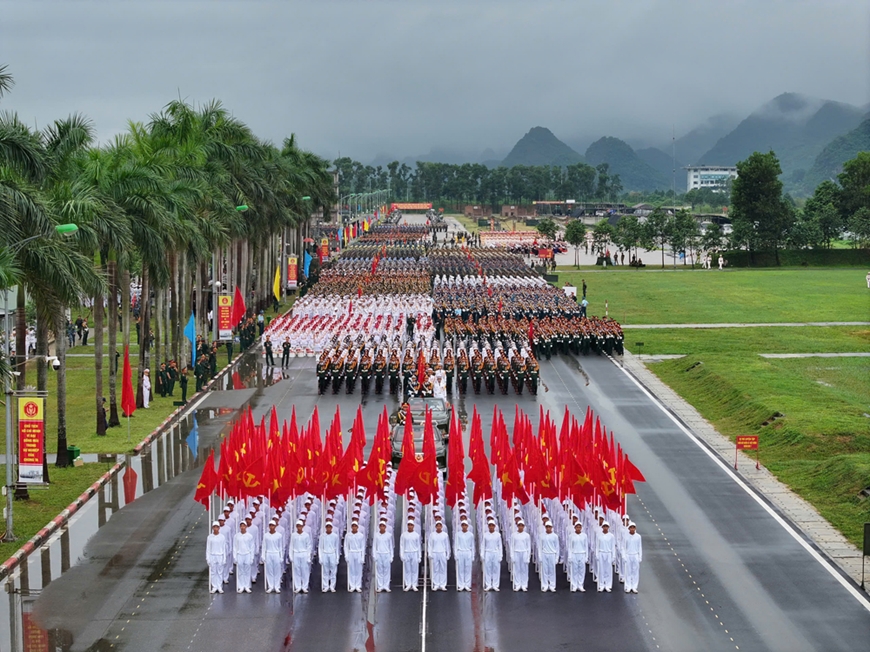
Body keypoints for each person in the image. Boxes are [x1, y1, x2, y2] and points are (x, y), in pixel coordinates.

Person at [261, 520, 285, 593]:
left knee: (277, 571)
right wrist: (263, 556)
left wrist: (281, 556)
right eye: (270, 525)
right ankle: (271, 586)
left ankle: (277, 586)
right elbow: (264, 546)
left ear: (275, 526)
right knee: (269, 571)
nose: (271, 527)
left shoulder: (279, 535)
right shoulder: (266, 535)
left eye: (273, 525)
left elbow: (280, 547)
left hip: (276, 553)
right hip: (269, 553)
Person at [290, 520, 312, 593]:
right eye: (298, 526)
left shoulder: (306, 535)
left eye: (300, 526)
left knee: (305, 570)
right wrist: (291, 556)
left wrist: (308, 556)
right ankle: (298, 586)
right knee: (297, 570)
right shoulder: (293, 535)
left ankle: (305, 586)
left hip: (304, 553)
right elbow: (291, 546)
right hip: (296, 553)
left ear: (302, 527)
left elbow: (308, 546)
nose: (299, 527)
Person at [427, 520, 450, 591]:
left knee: (443, 569)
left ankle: (443, 584)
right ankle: (436, 584)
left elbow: (447, 545)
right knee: (436, 569)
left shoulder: (445, 535)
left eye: (440, 525)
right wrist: (430, 553)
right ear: (436, 526)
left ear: (442, 526)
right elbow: (430, 545)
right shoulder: (432, 535)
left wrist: (448, 554)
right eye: (438, 525)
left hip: (442, 552)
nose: (439, 527)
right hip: (435, 553)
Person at [233, 521, 255, 593]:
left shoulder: (249, 536)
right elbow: (235, 547)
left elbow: (252, 547)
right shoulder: (236, 536)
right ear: (240, 527)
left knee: (247, 571)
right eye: (241, 526)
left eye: (244, 526)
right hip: (239, 554)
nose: (242, 527)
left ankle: (247, 586)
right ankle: (241, 586)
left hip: (247, 554)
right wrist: (235, 557)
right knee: (240, 571)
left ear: (246, 527)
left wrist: (251, 557)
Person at [400, 521, 422, 591]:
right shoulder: (403, 535)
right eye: (409, 525)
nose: (410, 526)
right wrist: (402, 554)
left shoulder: (416, 535)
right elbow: (402, 546)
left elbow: (418, 546)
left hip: (414, 552)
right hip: (407, 552)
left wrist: (419, 556)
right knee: (407, 569)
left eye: (411, 525)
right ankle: (408, 584)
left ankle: (414, 584)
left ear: (413, 526)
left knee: (414, 569)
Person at [344, 521, 366, 592]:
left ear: (357, 527)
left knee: (358, 570)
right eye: (353, 526)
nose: (354, 527)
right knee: (351, 570)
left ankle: (358, 585)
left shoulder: (361, 536)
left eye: (355, 526)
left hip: (358, 553)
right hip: (351, 553)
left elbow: (363, 547)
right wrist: (346, 555)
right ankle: (352, 585)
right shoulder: (348, 535)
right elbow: (346, 546)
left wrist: (362, 557)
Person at [318, 521, 340, 592]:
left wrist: (337, 557)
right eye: (327, 527)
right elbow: (320, 547)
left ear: (331, 528)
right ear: (325, 528)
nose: (328, 528)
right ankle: (326, 586)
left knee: (333, 571)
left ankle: (332, 586)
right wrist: (320, 557)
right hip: (325, 554)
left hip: (332, 554)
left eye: (329, 527)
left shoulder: (335, 536)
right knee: (325, 571)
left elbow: (337, 547)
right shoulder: (322, 536)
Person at [510, 521, 531, 591]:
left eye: (522, 525)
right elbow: (512, 546)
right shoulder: (513, 535)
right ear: (517, 526)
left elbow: (528, 547)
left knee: (524, 569)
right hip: (516, 552)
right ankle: (517, 584)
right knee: (517, 569)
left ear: (524, 526)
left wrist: (528, 557)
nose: (520, 527)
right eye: (519, 525)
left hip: (524, 552)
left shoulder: (527, 535)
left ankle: (524, 584)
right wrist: (512, 556)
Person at [621, 522, 642, 593]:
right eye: (631, 527)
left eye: (633, 527)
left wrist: (640, 557)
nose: (632, 529)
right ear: (629, 528)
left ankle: (634, 586)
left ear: (635, 528)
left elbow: (639, 547)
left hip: (635, 555)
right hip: (628, 555)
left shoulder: (638, 536)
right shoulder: (625, 536)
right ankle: (628, 586)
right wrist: (624, 556)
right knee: (628, 571)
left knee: (635, 571)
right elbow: (623, 547)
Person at [373, 521, 394, 592]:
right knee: (379, 570)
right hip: (379, 554)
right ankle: (380, 586)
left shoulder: (389, 535)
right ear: (379, 527)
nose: (382, 527)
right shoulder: (376, 535)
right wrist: (374, 555)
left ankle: (386, 586)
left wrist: (391, 556)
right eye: (380, 526)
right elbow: (374, 546)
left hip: (386, 554)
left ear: (385, 527)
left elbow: (390, 546)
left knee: (386, 571)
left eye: (383, 526)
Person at [206, 522, 226, 594]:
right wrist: (208, 558)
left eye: (217, 527)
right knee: (213, 572)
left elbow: (224, 548)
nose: (215, 528)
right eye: (214, 527)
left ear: (219, 528)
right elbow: (208, 548)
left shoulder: (222, 537)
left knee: (220, 571)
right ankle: (214, 586)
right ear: (212, 528)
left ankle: (219, 586)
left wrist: (224, 558)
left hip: (220, 555)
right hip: (212, 555)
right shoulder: (209, 537)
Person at [538, 522, 559, 592]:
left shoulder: (555, 536)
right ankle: (545, 585)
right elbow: (540, 547)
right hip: (544, 554)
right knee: (544, 571)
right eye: (547, 527)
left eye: (549, 527)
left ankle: (552, 585)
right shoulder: (542, 536)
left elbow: (557, 547)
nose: (548, 528)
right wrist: (540, 556)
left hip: (552, 554)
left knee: (552, 571)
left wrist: (557, 558)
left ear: (552, 527)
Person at [481, 521, 502, 591]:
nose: (491, 527)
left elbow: (500, 546)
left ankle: (495, 585)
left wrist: (500, 555)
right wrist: (482, 554)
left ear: (494, 526)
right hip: (488, 552)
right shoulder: (485, 535)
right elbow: (483, 545)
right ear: (488, 526)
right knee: (488, 569)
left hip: (495, 553)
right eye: (490, 525)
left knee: (496, 569)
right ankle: (488, 584)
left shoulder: (498, 535)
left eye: (492, 525)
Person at [596, 521, 616, 592]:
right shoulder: (599, 535)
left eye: (606, 526)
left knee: (608, 570)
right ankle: (601, 585)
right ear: (602, 527)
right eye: (604, 526)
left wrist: (613, 556)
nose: (605, 528)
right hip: (601, 553)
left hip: (608, 553)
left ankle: (608, 585)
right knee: (601, 569)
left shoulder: (611, 536)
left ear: (608, 527)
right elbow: (597, 546)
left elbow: (613, 546)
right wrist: (597, 555)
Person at [454, 520, 474, 592]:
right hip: (460, 552)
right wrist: (456, 554)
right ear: (461, 526)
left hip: (468, 552)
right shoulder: (458, 534)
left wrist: (472, 555)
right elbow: (456, 545)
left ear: (467, 526)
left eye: (465, 525)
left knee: (468, 569)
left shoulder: (471, 535)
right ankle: (461, 584)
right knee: (461, 569)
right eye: (463, 525)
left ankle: (467, 585)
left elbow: (472, 546)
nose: (464, 526)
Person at [567, 522, 588, 592]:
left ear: (581, 528)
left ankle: (580, 585)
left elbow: (586, 547)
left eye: (579, 527)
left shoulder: (584, 536)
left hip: (582, 554)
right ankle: (574, 585)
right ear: (575, 528)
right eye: (577, 527)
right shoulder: (571, 536)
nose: (578, 528)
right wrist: (570, 556)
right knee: (574, 570)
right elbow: (569, 547)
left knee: (581, 570)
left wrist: (586, 556)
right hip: (574, 554)